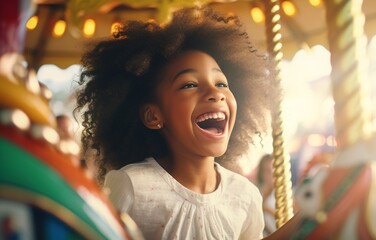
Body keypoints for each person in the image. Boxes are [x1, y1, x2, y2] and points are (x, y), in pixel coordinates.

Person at [74, 6, 300, 239]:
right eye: (189, 85)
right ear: (154, 116)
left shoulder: (244, 196)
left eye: (222, 83)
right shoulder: (133, 186)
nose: (215, 93)